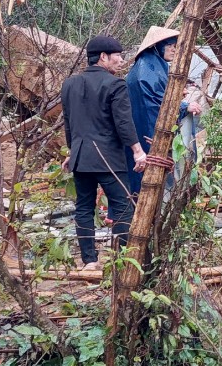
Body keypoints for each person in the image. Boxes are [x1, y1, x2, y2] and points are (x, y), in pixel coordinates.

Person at [61, 35, 145, 268]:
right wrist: (137, 151)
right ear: (103, 57)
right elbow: (124, 123)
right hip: (109, 159)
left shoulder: (69, 84)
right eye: (117, 56)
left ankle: (89, 261)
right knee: (123, 205)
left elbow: (69, 123)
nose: (121, 60)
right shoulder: (115, 85)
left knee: (84, 208)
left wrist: (72, 152)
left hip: (80, 158)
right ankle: (120, 261)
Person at [126, 26, 203, 194]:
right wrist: (183, 106)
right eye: (170, 45)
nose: (174, 50)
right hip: (148, 133)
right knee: (154, 180)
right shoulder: (148, 68)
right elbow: (155, 100)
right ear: (157, 46)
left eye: (176, 46)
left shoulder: (149, 64)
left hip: (140, 131)